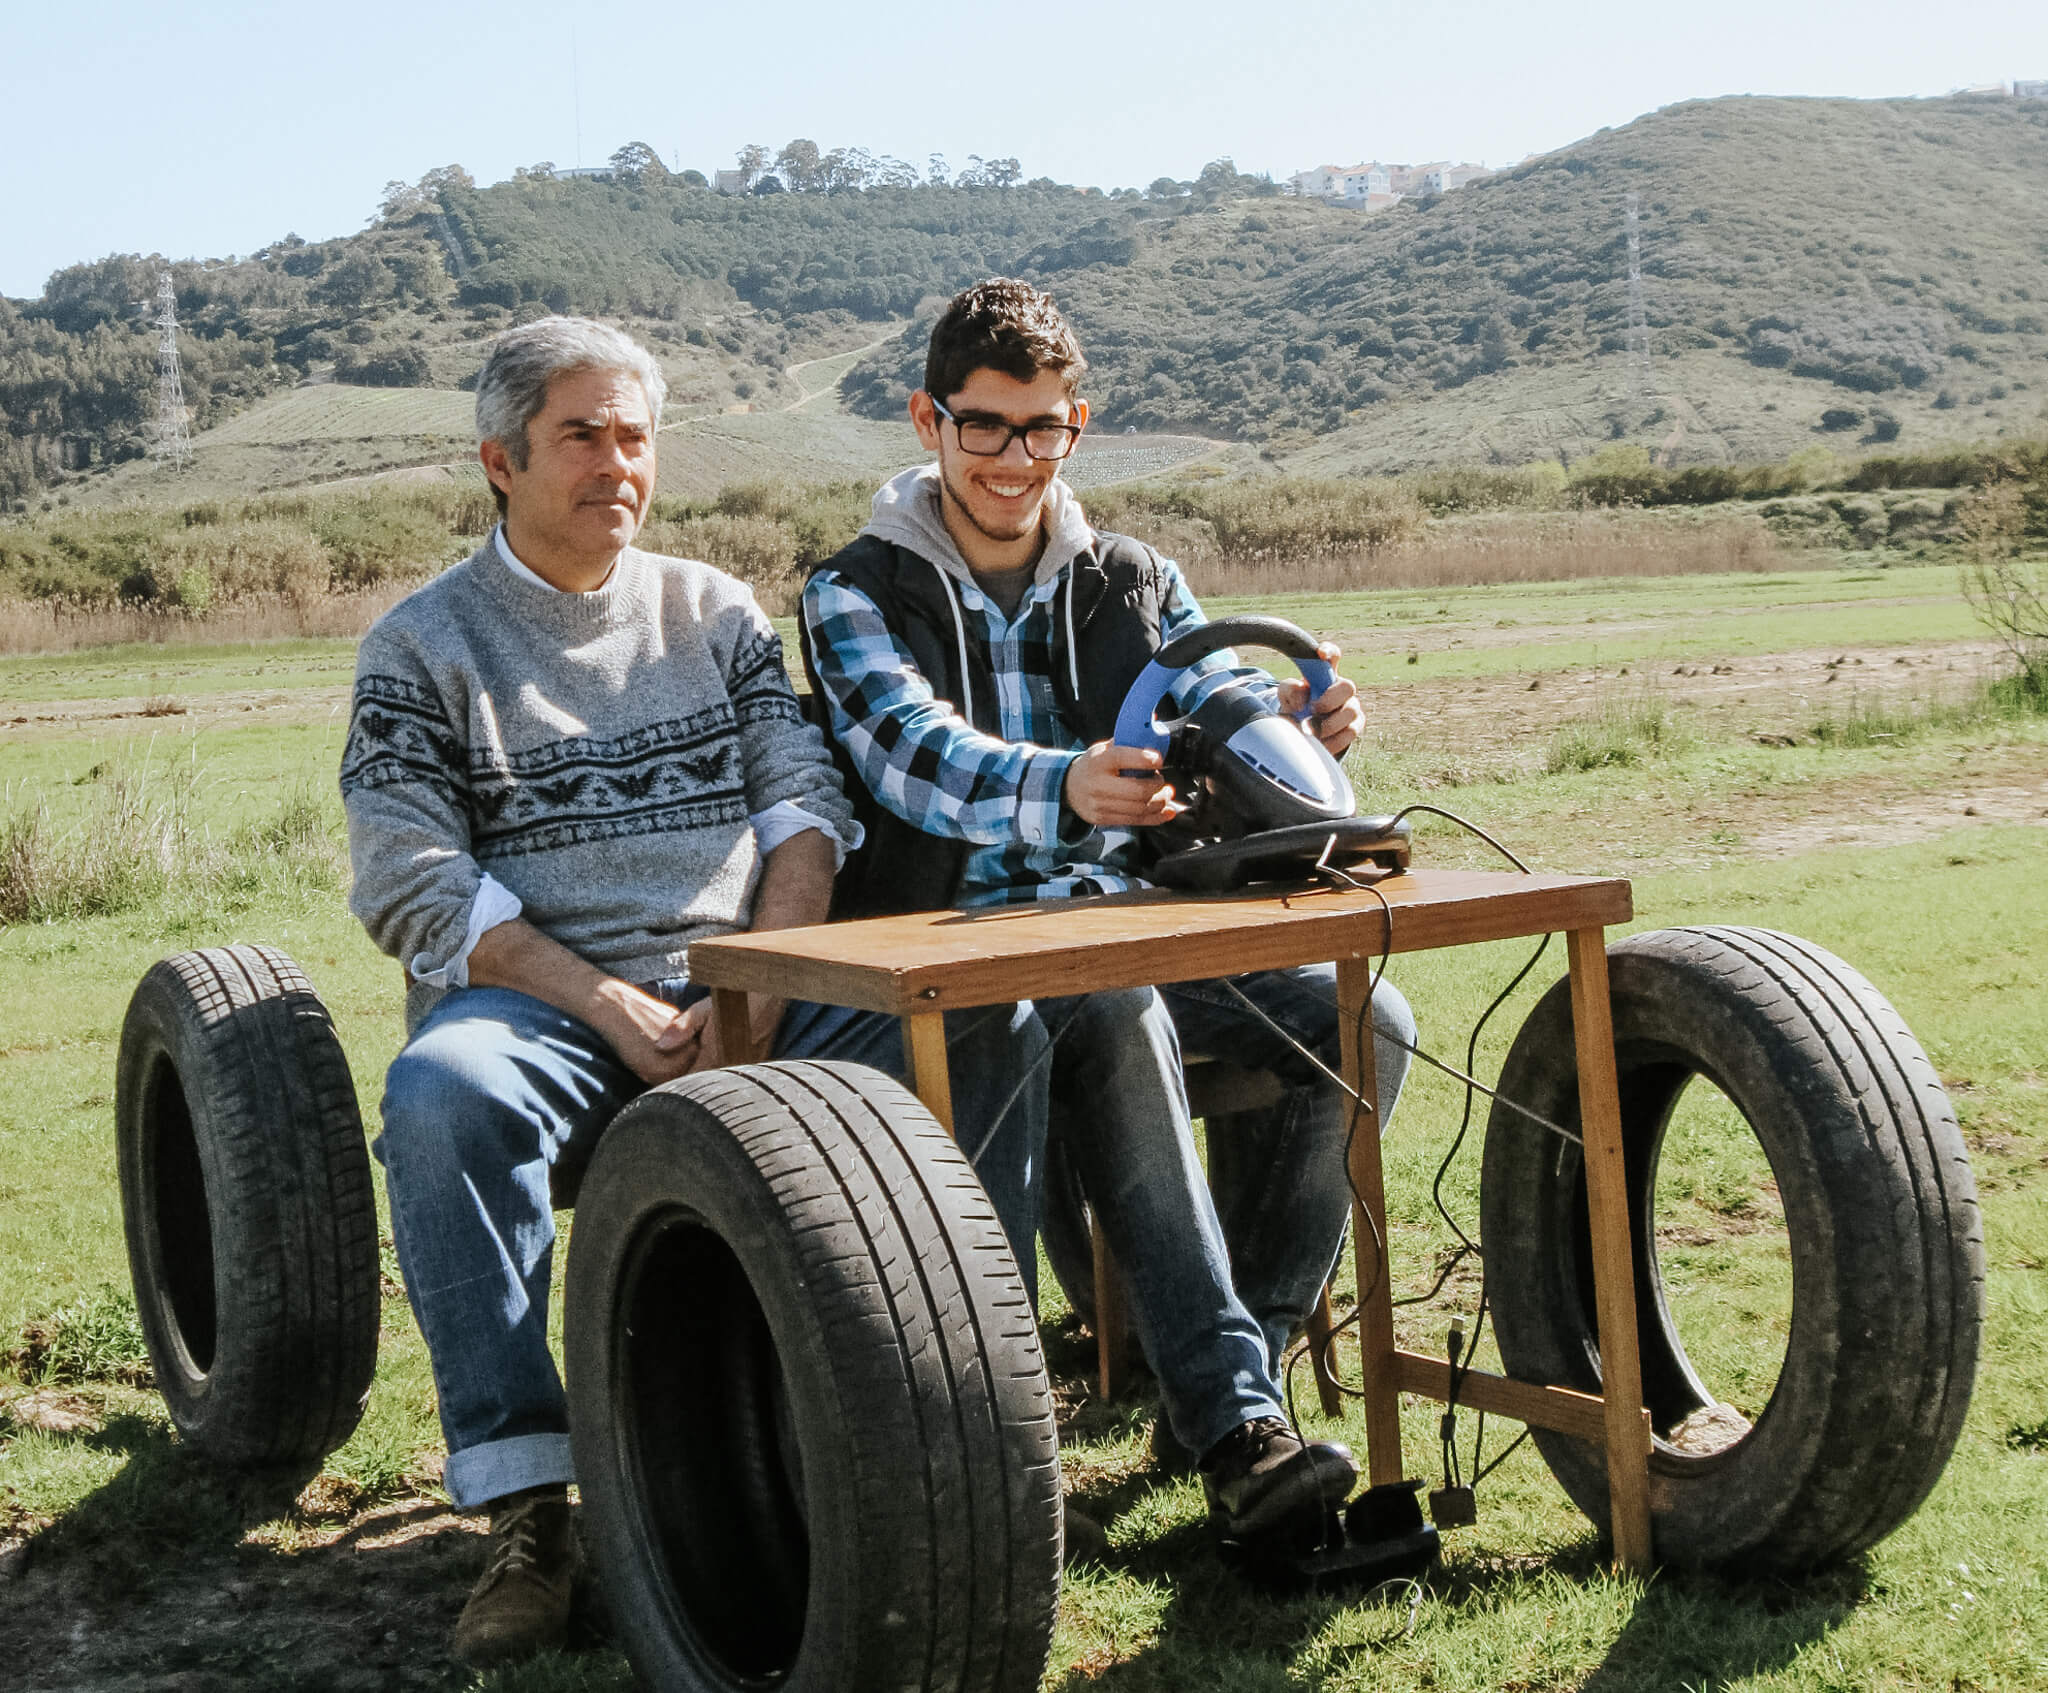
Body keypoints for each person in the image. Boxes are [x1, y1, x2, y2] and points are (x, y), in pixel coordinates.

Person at [338, 315, 1040, 1667]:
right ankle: (530, 1504)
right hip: (545, 1006)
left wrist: (756, 990)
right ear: (501, 457)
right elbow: (413, 882)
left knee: (984, 1018)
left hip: (742, 979)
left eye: (636, 434)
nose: (618, 462)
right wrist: (607, 1004)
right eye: (581, 435)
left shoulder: (713, 610)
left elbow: (806, 806)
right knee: (440, 1098)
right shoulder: (420, 647)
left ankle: (959, 1425)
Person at [800, 278, 1418, 1543]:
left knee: (1366, 1018)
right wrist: (1066, 783)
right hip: (943, 958)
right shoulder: (852, 590)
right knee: (1101, 995)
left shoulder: (1139, 578)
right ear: (928, 419)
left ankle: (1222, 1394)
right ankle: (1222, 1421)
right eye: (985, 426)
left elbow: (1222, 707)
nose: (1016, 461)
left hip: (1126, 929)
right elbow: (911, 754)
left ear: (1075, 424)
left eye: (1044, 429)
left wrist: (1297, 732)